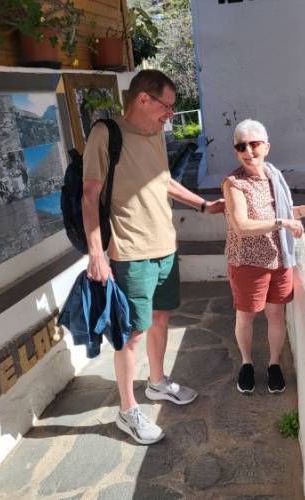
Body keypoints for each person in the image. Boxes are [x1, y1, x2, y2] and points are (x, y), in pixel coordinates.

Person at [82, 70, 224, 444]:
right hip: (130, 253)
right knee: (132, 333)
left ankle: (157, 382)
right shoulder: (105, 134)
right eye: (168, 106)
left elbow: (165, 181)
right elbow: (90, 195)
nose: (171, 114)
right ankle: (127, 411)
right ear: (144, 99)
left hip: (165, 248)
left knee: (161, 317)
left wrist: (204, 205)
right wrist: (96, 254)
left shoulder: (155, 135)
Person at [222, 119, 305, 394]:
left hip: (279, 261)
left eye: (254, 144)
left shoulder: (273, 176)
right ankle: (247, 364)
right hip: (248, 262)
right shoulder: (234, 183)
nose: (248, 151)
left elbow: (282, 213)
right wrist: (282, 223)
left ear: (267, 147)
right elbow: (242, 225)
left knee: (275, 315)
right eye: (241, 146)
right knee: (246, 317)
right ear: (236, 151)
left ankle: (274, 365)